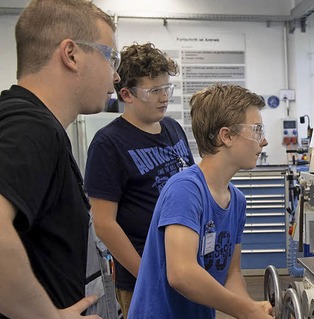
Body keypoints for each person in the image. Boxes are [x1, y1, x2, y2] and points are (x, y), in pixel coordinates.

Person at [0, 0, 121, 318]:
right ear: (71, 55)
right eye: (110, 57)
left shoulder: (23, 119)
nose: (117, 75)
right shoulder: (30, 125)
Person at [128, 84, 273, 319]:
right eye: (257, 130)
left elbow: (231, 274)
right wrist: (246, 311)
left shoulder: (236, 201)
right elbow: (181, 274)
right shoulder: (185, 190)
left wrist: (252, 308)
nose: (264, 140)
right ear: (226, 136)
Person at [84, 42, 195, 318]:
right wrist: (149, 275)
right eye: (154, 90)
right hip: (142, 279)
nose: (164, 97)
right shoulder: (108, 143)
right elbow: (104, 224)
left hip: (186, 269)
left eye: (166, 88)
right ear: (127, 94)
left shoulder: (173, 128)